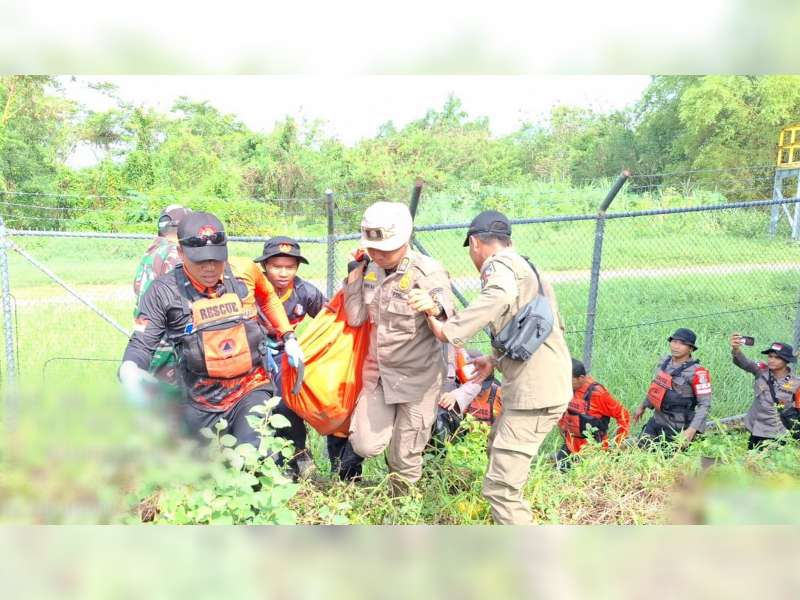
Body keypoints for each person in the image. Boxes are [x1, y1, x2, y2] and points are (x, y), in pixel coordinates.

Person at [419, 210, 572, 525]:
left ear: (475, 243)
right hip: (545, 384)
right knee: (497, 452)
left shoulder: (498, 266)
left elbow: (500, 294)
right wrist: (494, 361)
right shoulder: (528, 267)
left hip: (535, 395)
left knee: (500, 489)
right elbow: (535, 326)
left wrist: (450, 329)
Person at [118, 211, 304, 451]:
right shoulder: (164, 291)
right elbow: (142, 342)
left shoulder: (243, 271)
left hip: (250, 388)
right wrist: (130, 368)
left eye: (216, 260)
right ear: (182, 253)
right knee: (203, 472)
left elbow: (267, 297)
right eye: (199, 261)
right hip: (199, 399)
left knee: (255, 456)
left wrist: (288, 336)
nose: (209, 268)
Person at [343, 201, 454, 493]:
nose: (377, 255)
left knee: (405, 456)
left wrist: (433, 308)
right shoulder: (369, 268)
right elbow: (355, 317)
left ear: (405, 240)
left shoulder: (427, 272)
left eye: (385, 249)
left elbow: (450, 329)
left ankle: (402, 508)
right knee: (365, 444)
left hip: (417, 381)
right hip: (378, 376)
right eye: (372, 249)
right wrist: (354, 272)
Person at [253, 236, 345, 478]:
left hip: (287, 356)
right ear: (264, 266)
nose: (283, 273)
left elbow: (330, 320)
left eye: (290, 267)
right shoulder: (251, 290)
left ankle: (297, 457)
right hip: (253, 358)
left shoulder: (305, 292)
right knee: (258, 408)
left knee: (288, 404)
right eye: (276, 266)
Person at [132, 205, 191, 384]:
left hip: (144, 328)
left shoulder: (152, 251)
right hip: (164, 336)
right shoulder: (174, 253)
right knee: (164, 394)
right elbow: (178, 301)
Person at [633, 328, 712, 447]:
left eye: (682, 344)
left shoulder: (697, 373)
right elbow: (656, 387)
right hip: (657, 420)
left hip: (678, 428)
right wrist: (643, 406)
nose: (676, 346)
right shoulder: (665, 362)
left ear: (690, 348)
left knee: (667, 461)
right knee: (641, 450)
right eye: (674, 342)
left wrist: (691, 430)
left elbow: (705, 404)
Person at [555, 358, 630, 468]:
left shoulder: (597, 393)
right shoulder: (567, 389)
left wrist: (618, 442)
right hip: (570, 444)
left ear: (581, 378)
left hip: (593, 449)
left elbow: (623, 415)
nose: (564, 383)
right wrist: (562, 425)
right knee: (558, 474)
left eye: (568, 380)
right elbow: (563, 409)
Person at [730, 335, 800, 449]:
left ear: (786, 360)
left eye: (777, 357)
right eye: (770, 356)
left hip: (777, 433)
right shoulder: (761, 371)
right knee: (751, 462)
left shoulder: (796, 383)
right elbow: (746, 363)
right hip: (755, 429)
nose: (771, 360)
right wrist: (736, 349)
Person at [133, 205, 190, 309]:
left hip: (144, 318)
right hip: (161, 320)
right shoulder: (175, 253)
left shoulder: (153, 249)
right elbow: (178, 298)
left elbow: (136, 288)